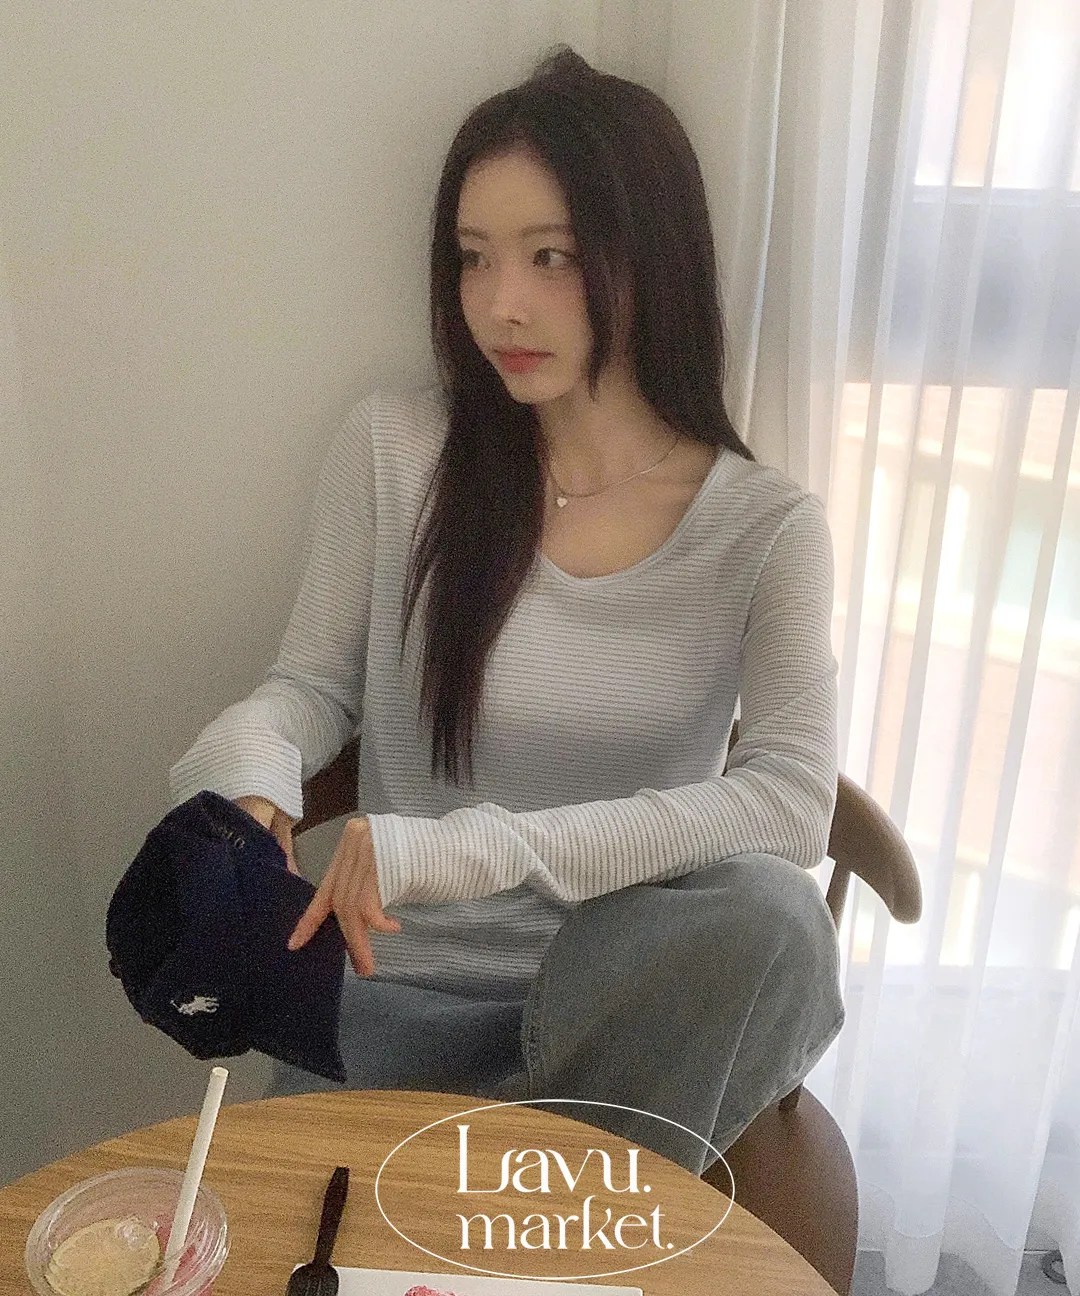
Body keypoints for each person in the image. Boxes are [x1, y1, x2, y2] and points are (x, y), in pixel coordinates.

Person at [168, 45, 846, 1177]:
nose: (500, 305)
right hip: (391, 998)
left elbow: (791, 803)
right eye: (473, 258)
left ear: (651, 258)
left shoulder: (767, 529)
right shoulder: (395, 449)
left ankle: (539, 1205)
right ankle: (532, 1210)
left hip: (620, 1032)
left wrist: (474, 846)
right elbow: (308, 690)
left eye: (551, 257)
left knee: (776, 922)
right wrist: (250, 779)